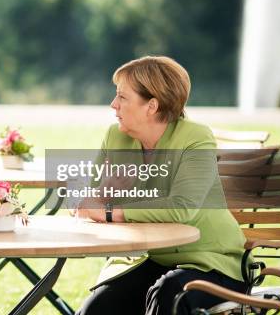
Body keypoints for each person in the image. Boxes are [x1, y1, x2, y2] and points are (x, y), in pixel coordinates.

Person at [75, 56, 247, 315]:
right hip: (155, 259)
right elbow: (86, 204)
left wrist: (111, 211)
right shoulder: (116, 136)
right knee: (97, 309)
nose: (113, 104)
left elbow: (181, 208)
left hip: (212, 262)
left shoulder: (195, 137)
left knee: (168, 294)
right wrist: (104, 192)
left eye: (122, 97)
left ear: (151, 106)